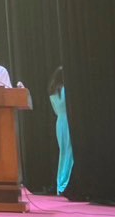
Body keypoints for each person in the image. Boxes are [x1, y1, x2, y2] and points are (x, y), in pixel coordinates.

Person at [48, 66, 73, 196]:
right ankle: (66, 182)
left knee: (63, 152)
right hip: (67, 121)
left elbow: (55, 110)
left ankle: (60, 182)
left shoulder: (52, 92)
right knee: (69, 152)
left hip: (59, 122)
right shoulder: (65, 90)